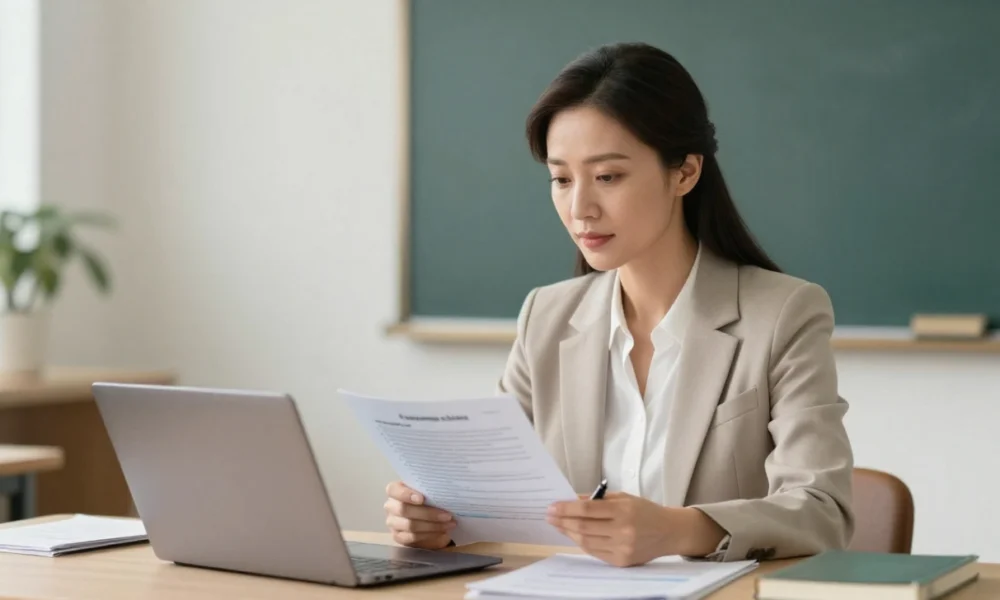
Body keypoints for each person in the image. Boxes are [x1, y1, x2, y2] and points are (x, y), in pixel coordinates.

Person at [383, 42, 853, 567]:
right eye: (562, 179)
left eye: (607, 176)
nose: (580, 208)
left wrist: (676, 529)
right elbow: (493, 495)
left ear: (685, 173)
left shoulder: (784, 313)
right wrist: (441, 523)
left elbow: (822, 511)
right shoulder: (546, 317)